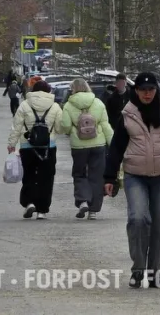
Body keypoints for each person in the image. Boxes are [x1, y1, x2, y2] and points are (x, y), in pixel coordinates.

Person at [104, 72, 160, 289]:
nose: (147, 94)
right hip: (136, 176)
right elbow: (116, 148)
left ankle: (155, 272)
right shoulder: (127, 115)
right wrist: (109, 177)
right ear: (136, 91)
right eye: (142, 90)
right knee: (138, 219)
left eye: (151, 89)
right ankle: (138, 268)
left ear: (156, 90)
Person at [57, 78, 114, 220]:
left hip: (79, 145)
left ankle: (82, 201)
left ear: (73, 89)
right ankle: (93, 210)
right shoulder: (98, 102)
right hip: (98, 144)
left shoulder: (69, 105)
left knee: (79, 173)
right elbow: (106, 125)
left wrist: (72, 131)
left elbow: (64, 125)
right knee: (97, 176)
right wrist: (113, 144)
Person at [8, 80, 63, 219]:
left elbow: (17, 126)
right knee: (46, 178)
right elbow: (59, 128)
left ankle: (29, 202)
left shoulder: (24, 105)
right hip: (48, 147)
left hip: (27, 146)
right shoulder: (55, 106)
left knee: (29, 175)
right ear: (48, 91)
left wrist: (12, 144)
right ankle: (42, 210)